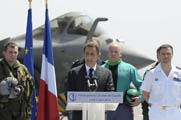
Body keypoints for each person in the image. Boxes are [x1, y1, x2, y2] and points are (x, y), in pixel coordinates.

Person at [67, 41, 114, 120]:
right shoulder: (74, 73)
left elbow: (110, 94)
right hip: (79, 116)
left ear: (98, 55)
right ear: (84, 55)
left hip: (99, 116)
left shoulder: (107, 73)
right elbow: (68, 94)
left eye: (92, 54)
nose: (89, 57)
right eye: (87, 54)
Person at [102, 43, 143, 120]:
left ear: (120, 54)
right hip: (105, 109)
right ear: (107, 53)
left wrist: (140, 98)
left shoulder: (129, 68)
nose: (113, 53)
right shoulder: (100, 69)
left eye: (116, 52)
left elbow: (141, 84)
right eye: (111, 51)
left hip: (124, 109)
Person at [141, 44, 181, 120]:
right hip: (157, 112)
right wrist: (154, 105)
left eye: (168, 54)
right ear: (158, 56)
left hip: (175, 112)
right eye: (163, 54)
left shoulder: (179, 74)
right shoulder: (151, 74)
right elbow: (145, 93)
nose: (166, 56)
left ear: (172, 55)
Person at [0, 42, 34, 120]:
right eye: (10, 52)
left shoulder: (23, 69)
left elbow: (29, 90)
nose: (13, 55)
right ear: (4, 53)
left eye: (15, 52)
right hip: (3, 112)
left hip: (20, 112)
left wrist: (27, 109)